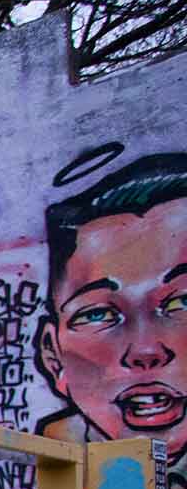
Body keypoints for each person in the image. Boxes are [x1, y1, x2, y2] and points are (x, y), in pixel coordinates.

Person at [34, 153, 187, 459]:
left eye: (182, 301)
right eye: (98, 314)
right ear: (53, 359)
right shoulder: (57, 464)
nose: (145, 351)